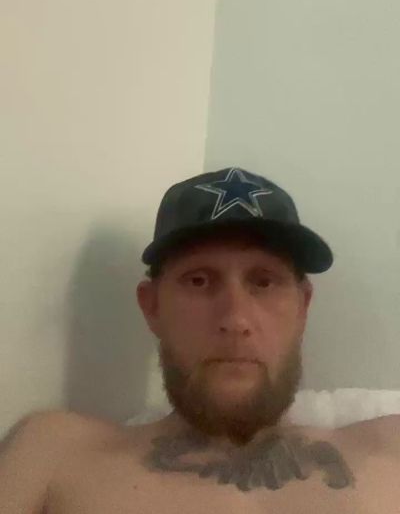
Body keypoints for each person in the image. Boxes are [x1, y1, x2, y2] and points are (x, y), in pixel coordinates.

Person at [1, 167, 399, 513]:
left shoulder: (390, 453)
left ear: (303, 306)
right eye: (198, 281)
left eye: (264, 282)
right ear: (152, 306)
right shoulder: (54, 455)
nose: (235, 319)